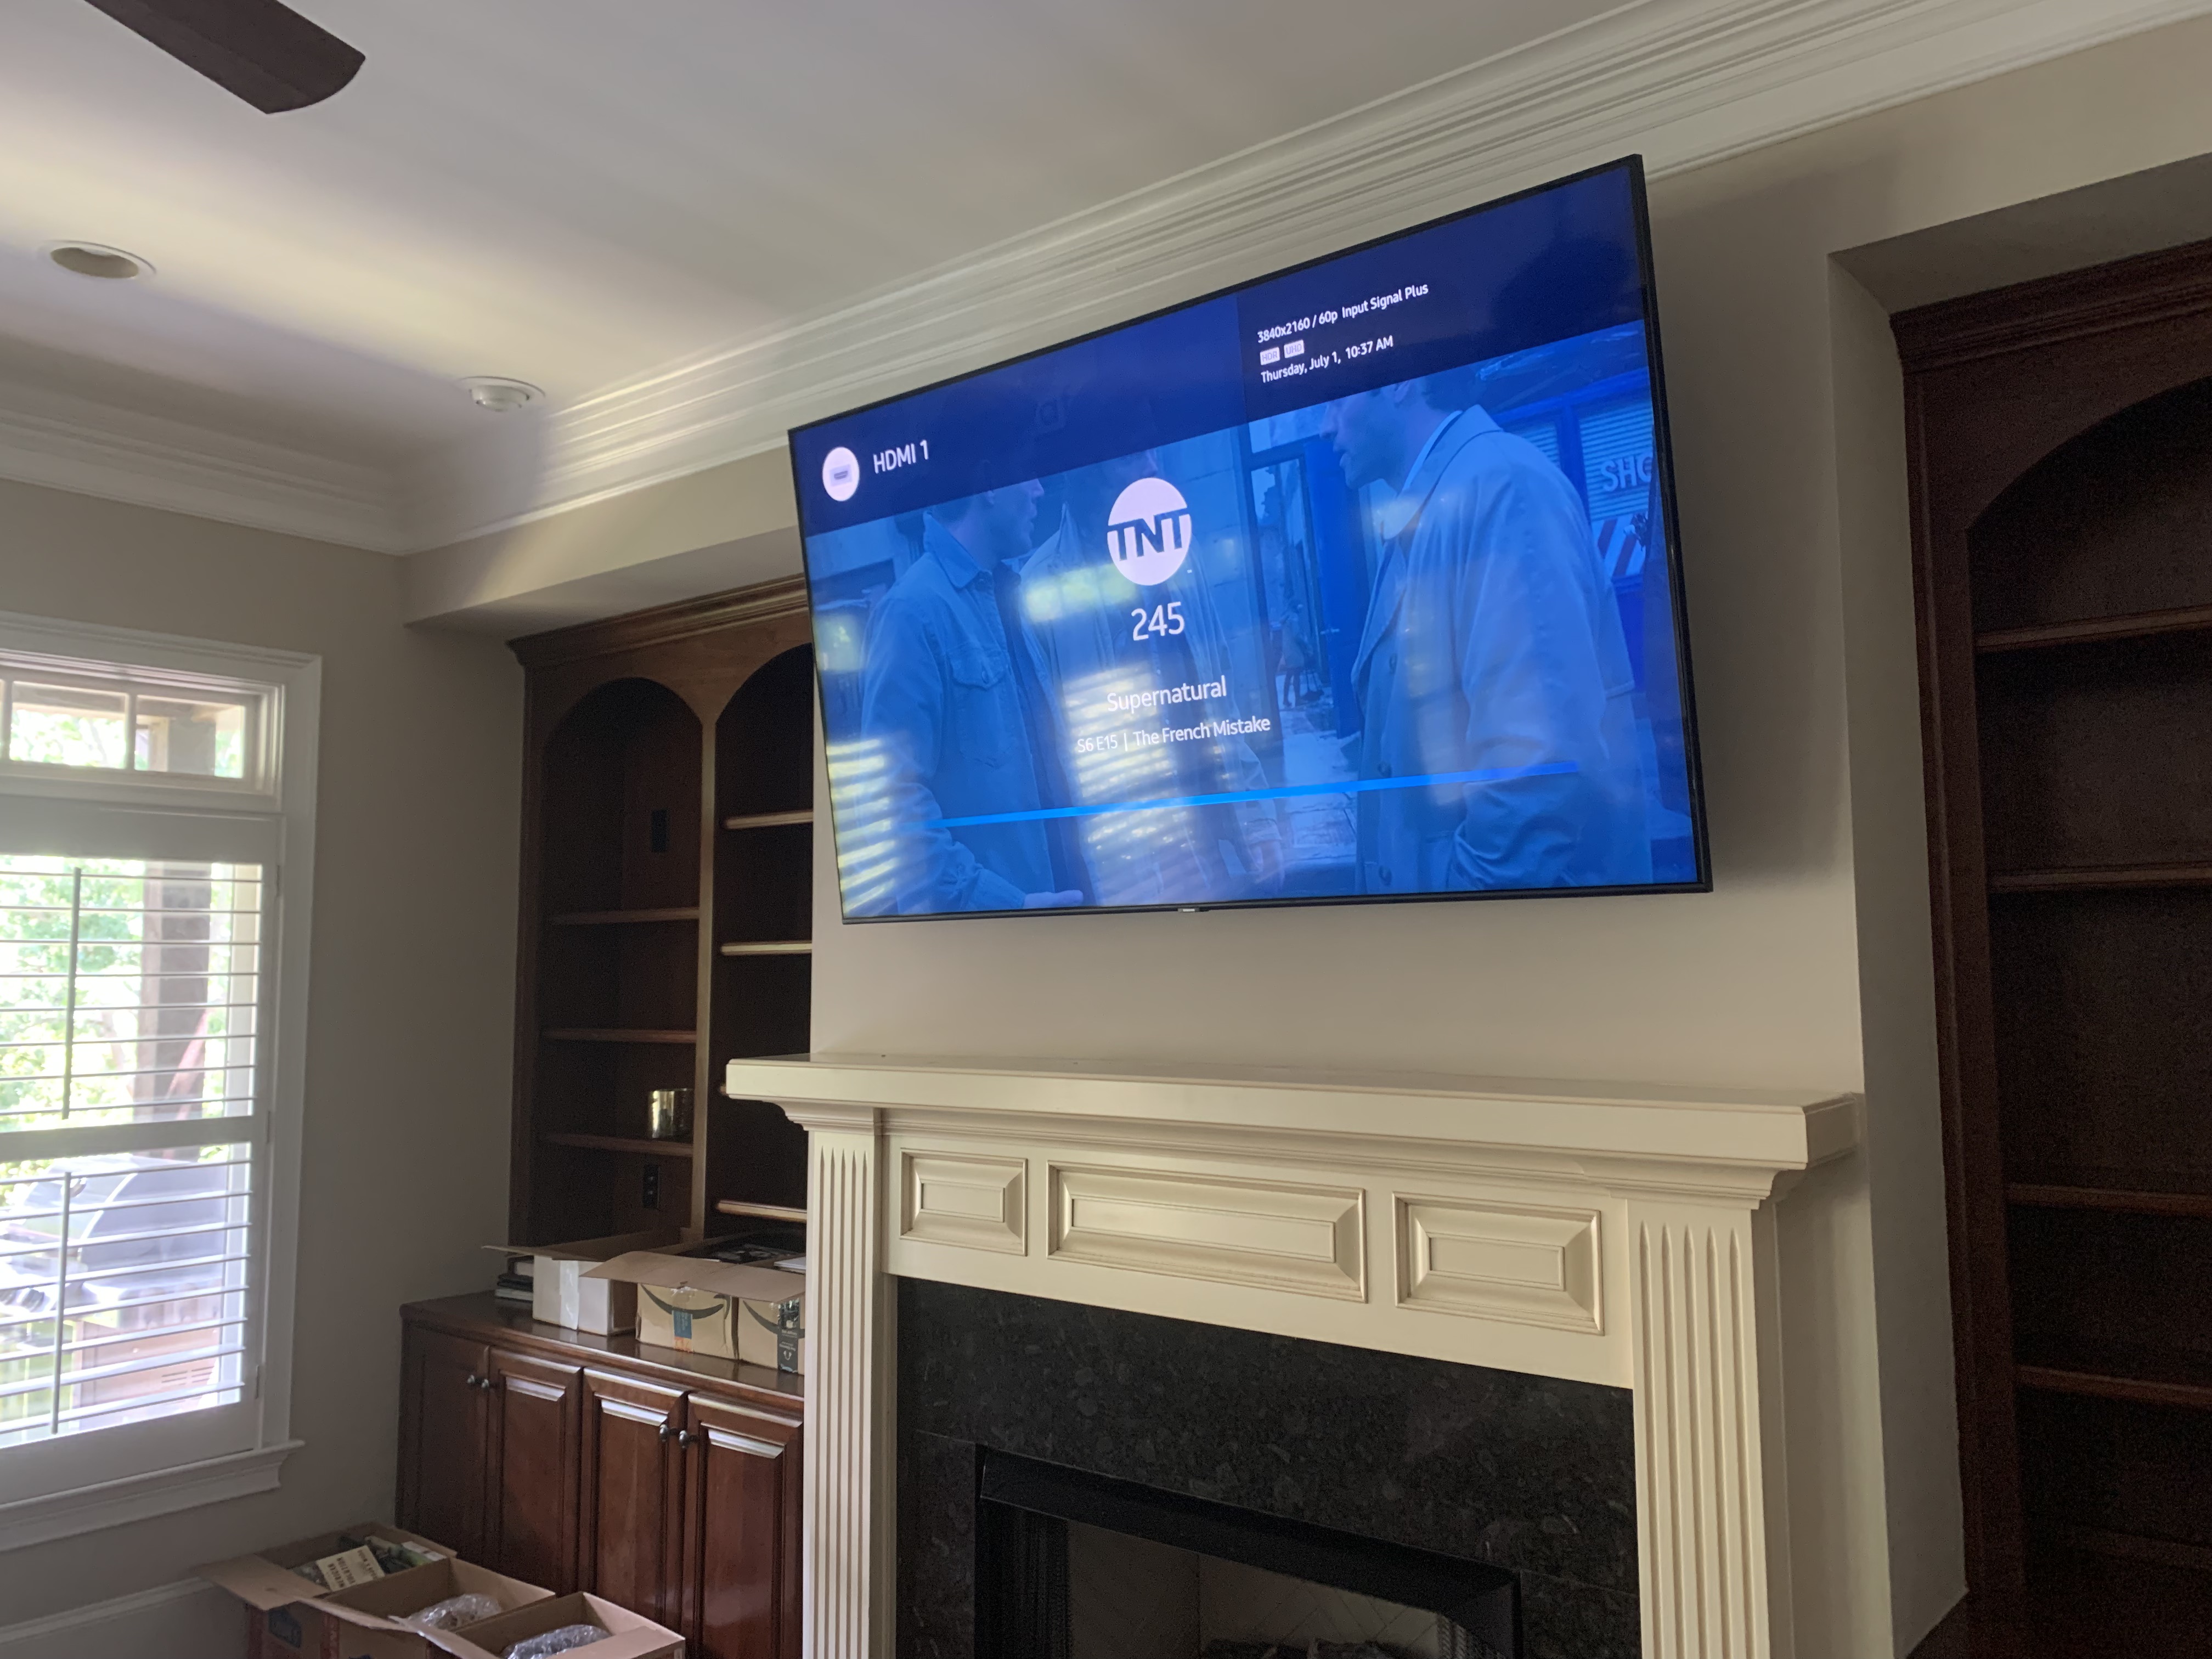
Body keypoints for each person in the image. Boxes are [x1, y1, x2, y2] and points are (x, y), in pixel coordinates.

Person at [1319, 371, 1650, 895]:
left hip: (1520, 955)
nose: (1324, 426)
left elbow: (1538, 768)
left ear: (1401, 382)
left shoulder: (1502, 487)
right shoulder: (1438, 502)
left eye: (1338, 398)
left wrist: (1464, 918)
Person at [1015, 449, 1282, 907]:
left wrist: (1259, 820)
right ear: (1092, 476)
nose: (1153, 468)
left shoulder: (1178, 551)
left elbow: (1221, 701)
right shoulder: (1039, 584)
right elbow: (1053, 753)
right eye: (1133, 459)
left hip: (1211, 852)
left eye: (1154, 453)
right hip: (1130, 872)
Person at [857, 482, 1085, 914]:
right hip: (994, 943)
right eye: (1026, 476)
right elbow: (886, 800)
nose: (1040, 491)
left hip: (1059, 920)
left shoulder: (1007, 595)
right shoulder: (911, 611)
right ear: (990, 487)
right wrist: (1000, 904)